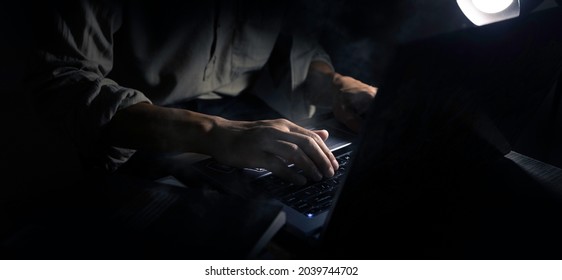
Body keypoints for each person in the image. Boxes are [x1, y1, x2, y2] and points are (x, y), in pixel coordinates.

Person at [27, 0, 378, 186]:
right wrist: (212, 133)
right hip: (136, 130)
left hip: (240, 118)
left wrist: (337, 85)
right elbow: (63, 83)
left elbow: (296, 47)